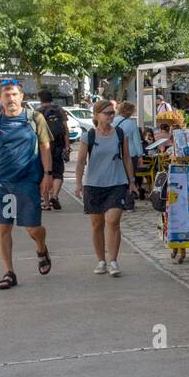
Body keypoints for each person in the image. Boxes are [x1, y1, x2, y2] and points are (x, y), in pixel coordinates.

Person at [0, 79, 54, 291]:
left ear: (22, 97)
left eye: (14, 95)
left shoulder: (35, 118)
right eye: (6, 96)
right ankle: (9, 272)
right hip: (1, 182)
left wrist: (47, 174)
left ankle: (41, 248)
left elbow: (45, 147)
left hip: (27, 181)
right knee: (3, 228)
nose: (11, 99)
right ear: (0, 99)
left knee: (33, 228)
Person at [74, 99, 138, 277]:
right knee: (97, 224)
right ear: (97, 115)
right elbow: (80, 162)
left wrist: (131, 180)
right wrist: (78, 183)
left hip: (117, 183)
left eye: (113, 113)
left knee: (113, 221)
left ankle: (113, 261)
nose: (111, 116)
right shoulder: (89, 136)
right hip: (94, 184)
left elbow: (126, 157)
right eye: (107, 113)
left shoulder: (120, 133)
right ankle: (101, 260)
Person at [37, 90, 70, 212]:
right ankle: (55, 195)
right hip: (58, 144)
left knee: (44, 173)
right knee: (58, 172)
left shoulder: (38, 112)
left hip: (43, 145)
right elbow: (65, 129)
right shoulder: (59, 110)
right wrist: (67, 146)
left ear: (40, 99)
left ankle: (46, 203)